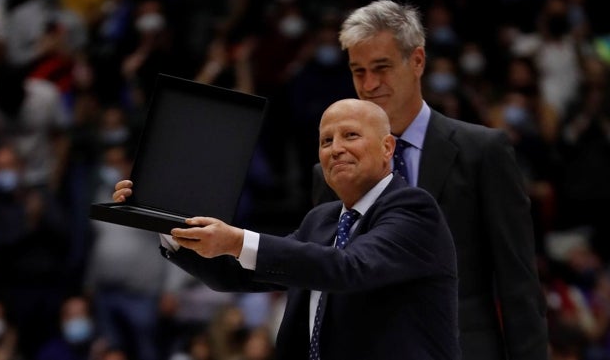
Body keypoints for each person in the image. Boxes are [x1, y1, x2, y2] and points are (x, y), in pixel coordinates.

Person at [112, 98, 460, 360]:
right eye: (326, 141)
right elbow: (240, 274)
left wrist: (237, 238)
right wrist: (164, 219)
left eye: (350, 135)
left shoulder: (414, 209)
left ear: (387, 148)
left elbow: (348, 268)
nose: (336, 149)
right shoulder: (322, 220)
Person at [310, 0, 548, 360]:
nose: (369, 85)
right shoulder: (331, 169)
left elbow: (518, 283)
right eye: (359, 71)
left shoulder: (482, 151)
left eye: (382, 68)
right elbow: (327, 282)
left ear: (417, 61)